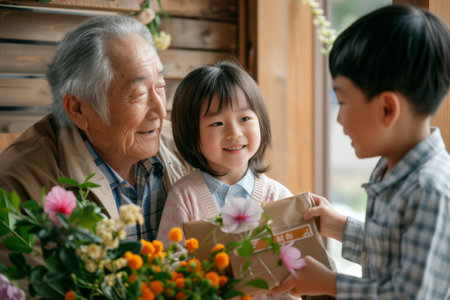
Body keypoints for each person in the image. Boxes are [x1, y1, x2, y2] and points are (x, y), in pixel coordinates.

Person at [272, 4, 450, 299]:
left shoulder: (430, 189)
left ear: (387, 109)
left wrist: (330, 283)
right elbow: (391, 249)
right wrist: (338, 226)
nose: (339, 119)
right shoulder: (391, 168)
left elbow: (410, 294)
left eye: (342, 101)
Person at [0, 15, 190, 243]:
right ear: (78, 109)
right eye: (139, 94)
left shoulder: (191, 144)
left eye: (160, 86)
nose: (160, 110)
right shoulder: (17, 187)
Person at [156, 61, 296, 299]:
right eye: (217, 123)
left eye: (245, 118)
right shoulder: (184, 196)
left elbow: (299, 265)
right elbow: (168, 264)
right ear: (192, 134)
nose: (234, 133)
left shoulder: (278, 197)